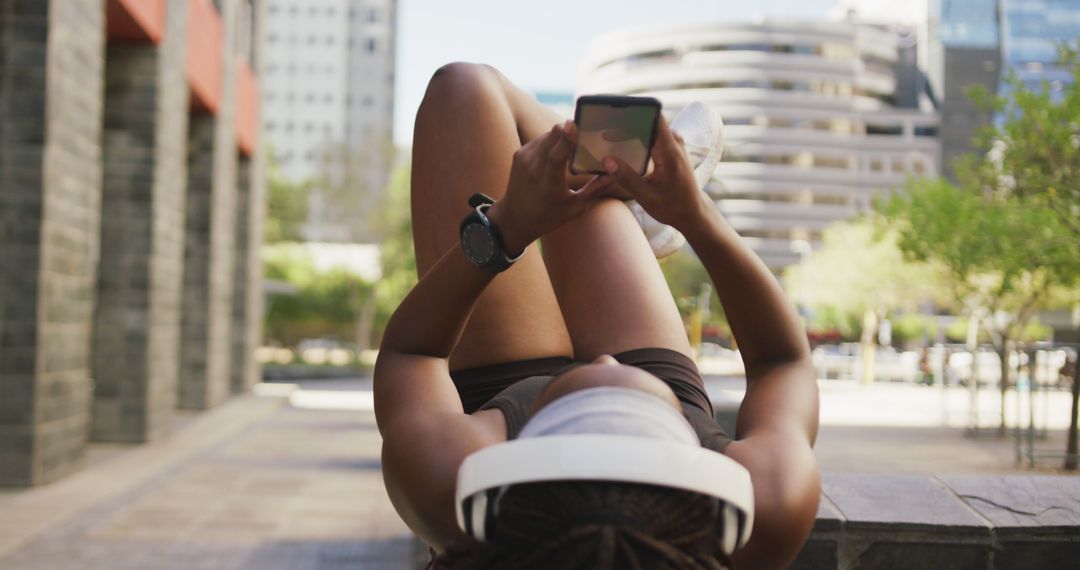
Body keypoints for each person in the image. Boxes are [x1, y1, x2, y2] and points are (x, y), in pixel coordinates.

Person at [374, 62, 820, 570]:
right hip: (554, 437)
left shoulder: (449, 480)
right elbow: (782, 362)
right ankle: (630, 201)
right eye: (626, 388)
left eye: (588, 388)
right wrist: (695, 215)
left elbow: (412, 353)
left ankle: (626, 197)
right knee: (581, 178)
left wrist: (504, 228)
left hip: (498, 400)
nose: (604, 361)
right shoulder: (765, 506)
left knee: (463, 88)